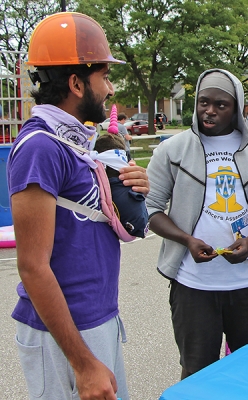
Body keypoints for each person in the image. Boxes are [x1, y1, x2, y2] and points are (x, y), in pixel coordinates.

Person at [8, 12, 149, 400]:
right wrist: (84, 364)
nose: (110, 87)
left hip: (95, 318)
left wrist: (133, 189)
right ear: (75, 82)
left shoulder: (77, 143)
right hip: (65, 334)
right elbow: (33, 266)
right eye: (104, 76)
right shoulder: (40, 147)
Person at [146, 69, 248, 379]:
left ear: (237, 108)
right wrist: (186, 240)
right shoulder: (173, 150)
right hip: (194, 289)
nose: (210, 110)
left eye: (221, 104)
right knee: (197, 375)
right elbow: (151, 209)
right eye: (204, 102)